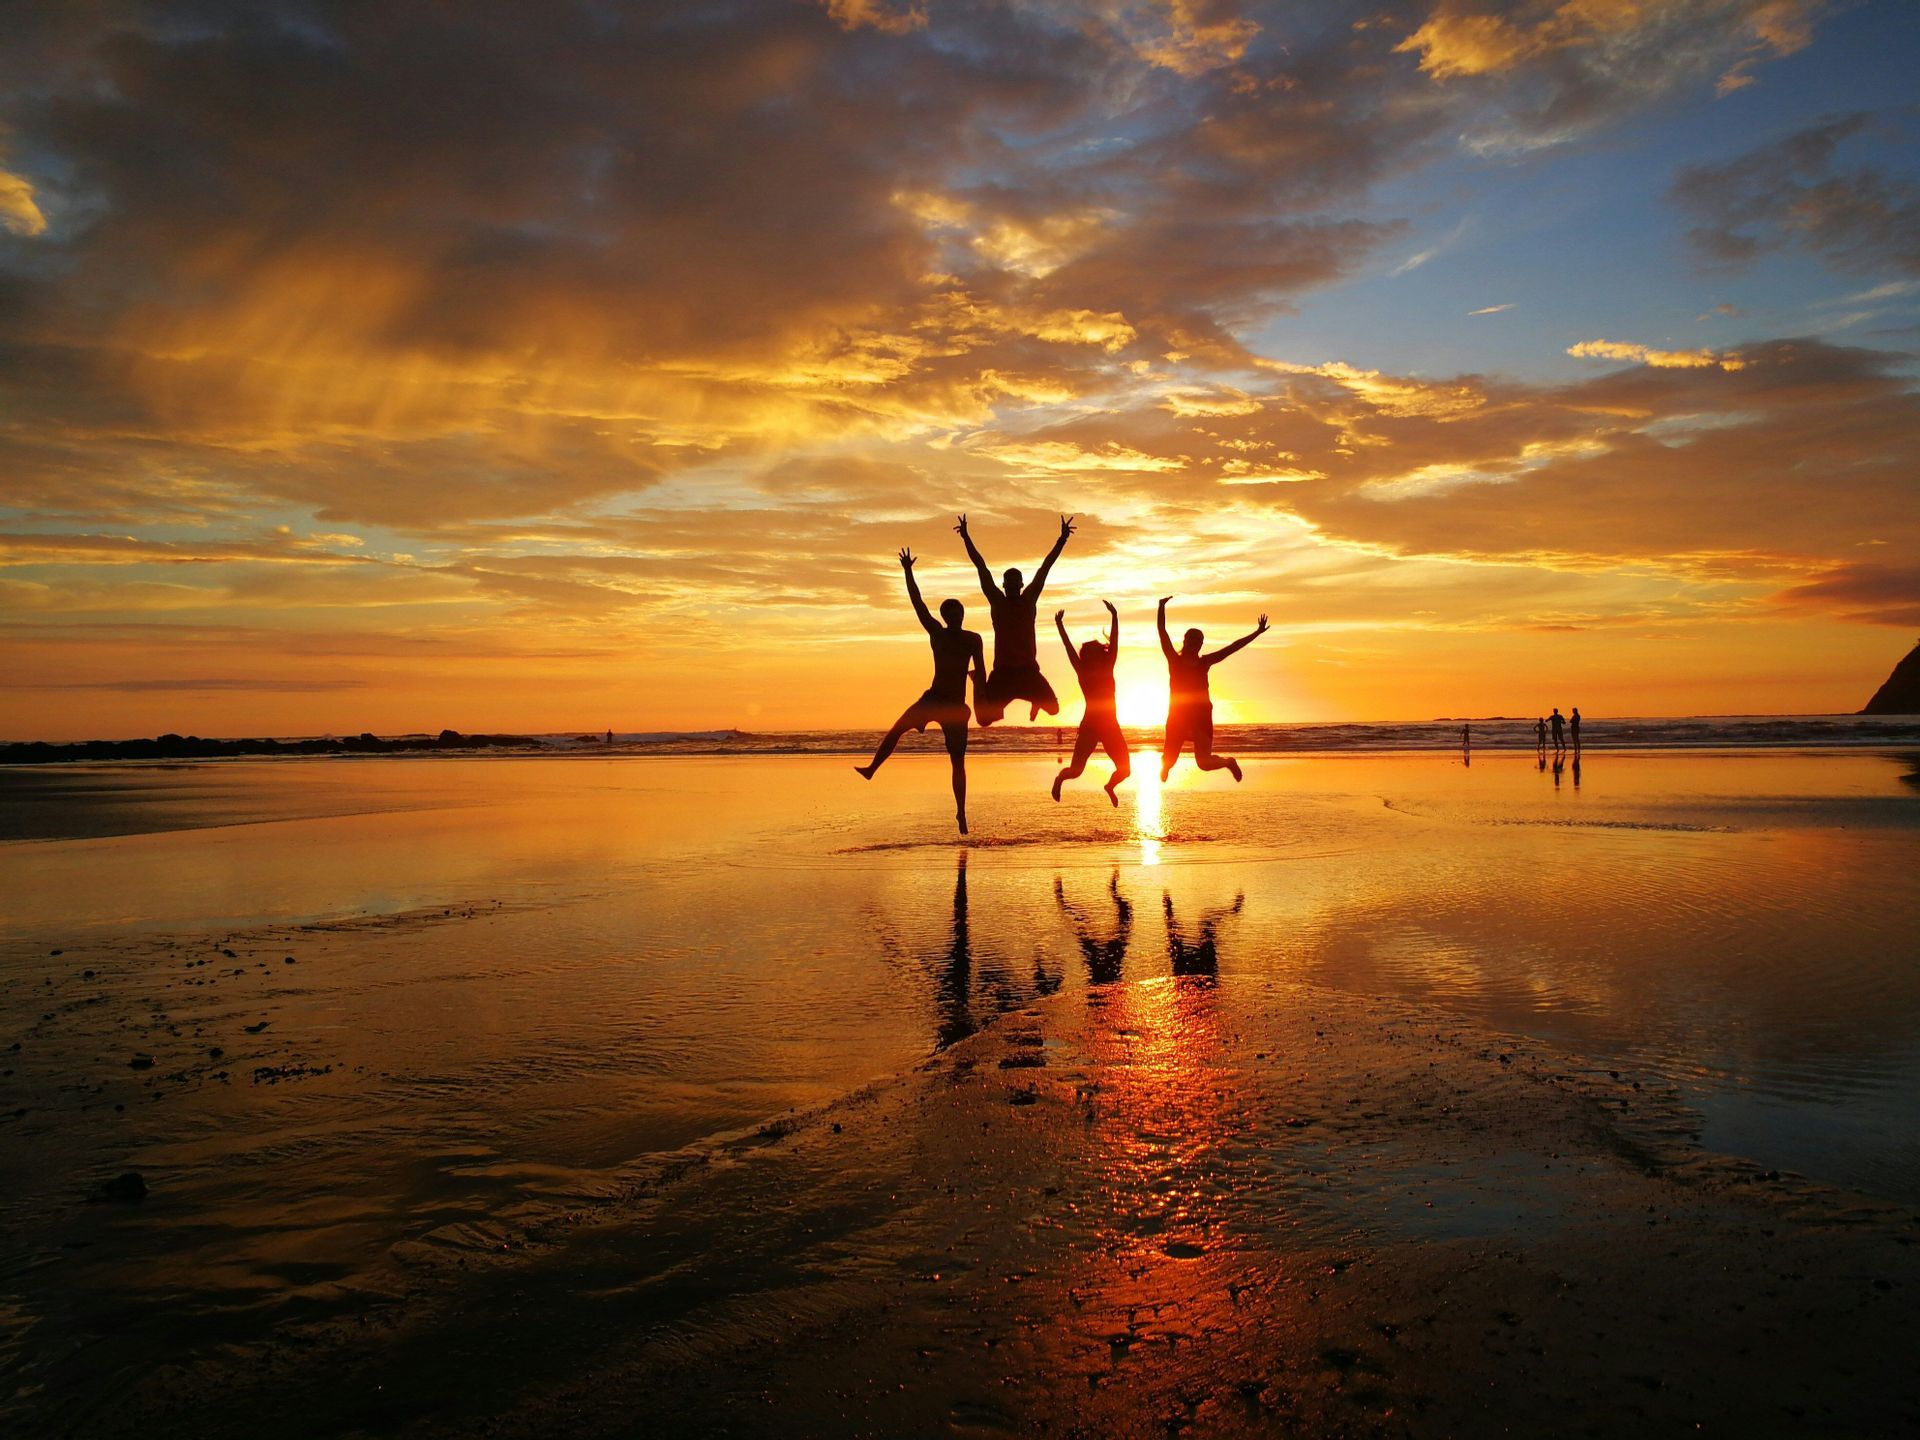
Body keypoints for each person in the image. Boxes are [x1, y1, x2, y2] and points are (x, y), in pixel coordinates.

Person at [854, 547, 985, 835]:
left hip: (955, 707)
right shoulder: (937, 633)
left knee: (957, 762)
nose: (957, 617)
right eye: (952, 614)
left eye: (960, 613)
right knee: (897, 729)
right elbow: (918, 604)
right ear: (946, 616)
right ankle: (872, 769)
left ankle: (961, 813)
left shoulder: (973, 639)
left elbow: (983, 673)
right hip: (933, 698)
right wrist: (908, 572)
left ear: (963, 614)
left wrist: (980, 689)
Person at [954, 512, 1073, 725]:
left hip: (1028, 671)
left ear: (1020, 585)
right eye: (1007, 583)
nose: (1010, 586)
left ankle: (1034, 700)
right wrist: (966, 538)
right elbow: (981, 567)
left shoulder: (1029, 600)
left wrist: (1062, 539)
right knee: (983, 720)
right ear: (1004, 586)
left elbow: (1045, 568)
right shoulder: (998, 602)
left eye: (1014, 582)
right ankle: (977, 679)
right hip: (1003, 673)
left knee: (1054, 709)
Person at [1157, 597, 1267, 782]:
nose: (1196, 644)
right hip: (1178, 715)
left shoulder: (1205, 662)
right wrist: (1161, 607)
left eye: (1199, 641)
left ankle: (1228, 762)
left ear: (1201, 644)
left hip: (1201, 715)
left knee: (1203, 763)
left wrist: (1256, 633)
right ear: (1186, 641)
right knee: (1169, 760)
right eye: (1193, 640)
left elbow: (1233, 647)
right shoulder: (1174, 661)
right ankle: (1166, 766)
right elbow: (1162, 632)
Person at [1051, 600, 1130, 806]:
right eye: (1089, 653)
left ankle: (1110, 786)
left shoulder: (1108, 665)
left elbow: (1114, 643)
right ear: (1086, 657)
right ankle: (1060, 779)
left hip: (1110, 725)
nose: (1094, 656)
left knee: (1125, 770)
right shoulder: (1082, 670)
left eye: (1096, 652)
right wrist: (1060, 626)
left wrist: (1114, 616)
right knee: (1075, 771)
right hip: (1090, 726)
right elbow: (1068, 648)